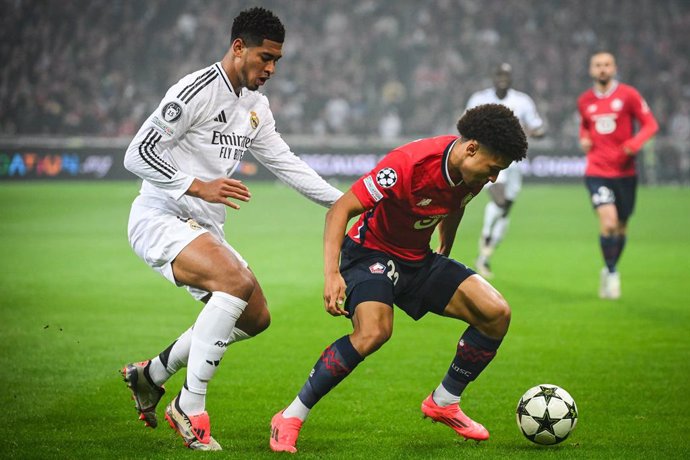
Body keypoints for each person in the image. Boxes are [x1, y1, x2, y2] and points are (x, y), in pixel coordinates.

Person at [120, 7, 342, 451]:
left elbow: (286, 164)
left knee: (256, 317)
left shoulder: (255, 107)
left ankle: (151, 375)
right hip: (160, 217)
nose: (271, 69)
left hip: (202, 227)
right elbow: (136, 153)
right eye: (265, 57)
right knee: (235, 282)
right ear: (238, 47)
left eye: (277, 60)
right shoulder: (196, 89)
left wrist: (347, 203)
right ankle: (190, 406)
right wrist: (196, 184)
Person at [269, 104, 528, 453]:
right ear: (471, 148)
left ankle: (444, 401)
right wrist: (331, 274)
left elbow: (456, 203)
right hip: (370, 254)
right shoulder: (407, 165)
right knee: (374, 331)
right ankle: (290, 416)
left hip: (418, 261)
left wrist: (446, 244)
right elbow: (340, 210)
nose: (494, 178)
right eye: (493, 168)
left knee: (496, 313)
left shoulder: (472, 174)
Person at [577, 51, 658, 299]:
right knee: (609, 222)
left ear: (614, 68)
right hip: (597, 171)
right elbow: (585, 124)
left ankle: (611, 266)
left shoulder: (628, 95)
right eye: (598, 65)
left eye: (607, 65)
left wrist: (635, 143)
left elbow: (651, 124)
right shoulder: (585, 100)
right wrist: (584, 137)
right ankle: (612, 273)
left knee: (621, 227)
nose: (602, 69)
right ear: (591, 70)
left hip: (625, 173)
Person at [466, 63, 545, 279]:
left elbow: (537, 126)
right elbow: (465, 127)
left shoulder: (522, 101)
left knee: (506, 208)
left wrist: (537, 132)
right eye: (499, 74)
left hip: (514, 162)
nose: (503, 78)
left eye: (506, 75)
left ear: (511, 78)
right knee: (499, 201)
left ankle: (486, 252)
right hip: (488, 159)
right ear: (493, 77)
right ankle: (485, 237)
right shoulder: (479, 99)